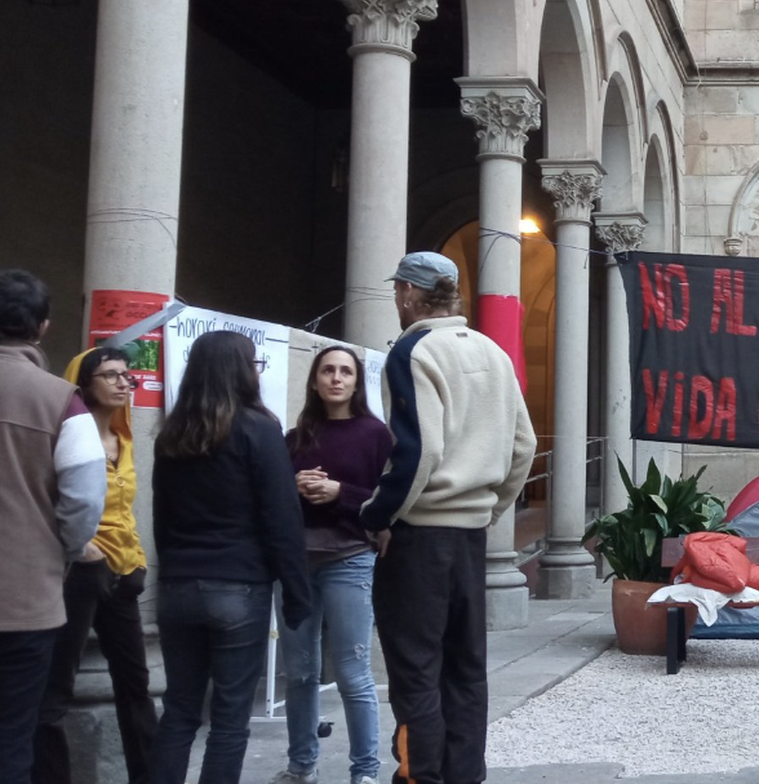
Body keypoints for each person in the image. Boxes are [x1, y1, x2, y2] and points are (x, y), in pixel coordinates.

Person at [360, 251, 536, 784]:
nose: (396, 299)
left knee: (416, 671)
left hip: (419, 537)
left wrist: (378, 514)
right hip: (468, 537)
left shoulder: (412, 350)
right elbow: (523, 447)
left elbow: (417, 452)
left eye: (397, 291)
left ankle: (421, 777)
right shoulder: (492, 351)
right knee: (466, 669)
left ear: (412, 294)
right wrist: (489, 508)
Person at [149, 330, 312, 784]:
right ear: (243, 371)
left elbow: (162, 518)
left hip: (179, 584)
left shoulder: (172, 434)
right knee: (228, 720)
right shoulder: (259, 428)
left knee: (179, 711)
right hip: (239, 586)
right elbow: (281, 518)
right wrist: (298, 594)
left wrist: (175, 570)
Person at [34, 346, 159, 784]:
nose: (124, 383)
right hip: (78, 573)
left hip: (123, 575)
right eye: (111, 375)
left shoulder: (124, 440)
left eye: (128, 376)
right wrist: (80, 546)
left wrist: (138, 560)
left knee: (136, 685)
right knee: (56, 689)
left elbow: (125, 511)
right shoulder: (66, 436)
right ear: (83, 384)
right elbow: (50, 502)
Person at [0, 269, 106, 780]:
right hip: (26, 601)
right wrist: (62, 550)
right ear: (43, 328)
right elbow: (85, 500)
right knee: (13, 737)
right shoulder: (63, 401)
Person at [271, 345, 393, 784]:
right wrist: (294, 484)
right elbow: (271, 500)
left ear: (358, 382)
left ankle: (364, 771)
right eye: (327, 370)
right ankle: (301, 765)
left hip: (349, 557)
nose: (336, 378)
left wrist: (339, 492)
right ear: (315, 380)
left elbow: (388, 500)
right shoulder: (295, 436)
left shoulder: (375, 434)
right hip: (296, 562)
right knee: (300, 672)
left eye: (345, 371)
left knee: (352, 670)